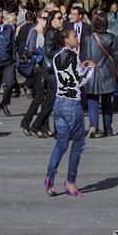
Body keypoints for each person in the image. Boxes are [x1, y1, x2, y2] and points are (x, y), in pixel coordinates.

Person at [45, 22, 88, 195]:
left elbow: (67, 75)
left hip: (59, 102)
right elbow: (79, 81)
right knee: (78, 144)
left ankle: (50, 176)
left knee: (61, 143)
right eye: (74, 36)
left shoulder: (57, 57)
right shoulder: (72, 55)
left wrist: (81, 68)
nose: (77, 38)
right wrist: (91, 68)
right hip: (71, 103)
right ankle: (70, 180)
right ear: (66, 40)